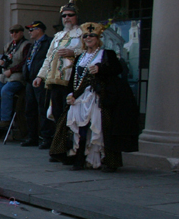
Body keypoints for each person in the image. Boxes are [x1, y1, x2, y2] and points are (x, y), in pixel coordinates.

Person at [49, 22, 139, 171]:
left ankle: (107, 160)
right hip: (80, 97)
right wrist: (71, 93)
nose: (89, 38)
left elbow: (117, 69)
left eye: (92, 35)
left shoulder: (106, 54)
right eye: (86, 36)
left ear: (98, 38)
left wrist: (100, 68)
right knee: (79, 127)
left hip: (99, 97)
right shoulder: (80, 56)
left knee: (100, 128)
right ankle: (79, 158)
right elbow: (74, 78)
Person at [34, 3, 83, 155]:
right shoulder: (58, 36)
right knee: (56, 114)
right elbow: (49, 58)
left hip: (71, 81)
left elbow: (89, 51)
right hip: (55, 81)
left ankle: (71, 149)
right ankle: (59, 148)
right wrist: (40, 76)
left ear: (76, 16)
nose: (67, 18)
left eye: (70, 15)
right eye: (64, 16)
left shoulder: (82, 33)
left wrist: (73, 52)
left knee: (70, 116)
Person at [0, 24, 31, 129]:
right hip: (5, 77)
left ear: (21, 32)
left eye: (16, 32)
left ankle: (5, 119)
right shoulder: (9, 45)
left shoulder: (26, 45)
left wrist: (12, 70)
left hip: (17, 77)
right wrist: (0, 61)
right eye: (12, 32)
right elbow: (1, 57)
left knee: (6, 91)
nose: (14, 34)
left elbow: (25, 62)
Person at [20, 21, 53, 147]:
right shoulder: (34, 44)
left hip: (41, 80)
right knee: (30, 110)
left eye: (32, 30)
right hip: (30, 80)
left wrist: (41, 75)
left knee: (43, 109)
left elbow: (48, 60)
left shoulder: (48, 42)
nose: (29, 32)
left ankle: (47, 137)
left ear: (39, 30)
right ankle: (32, 136)